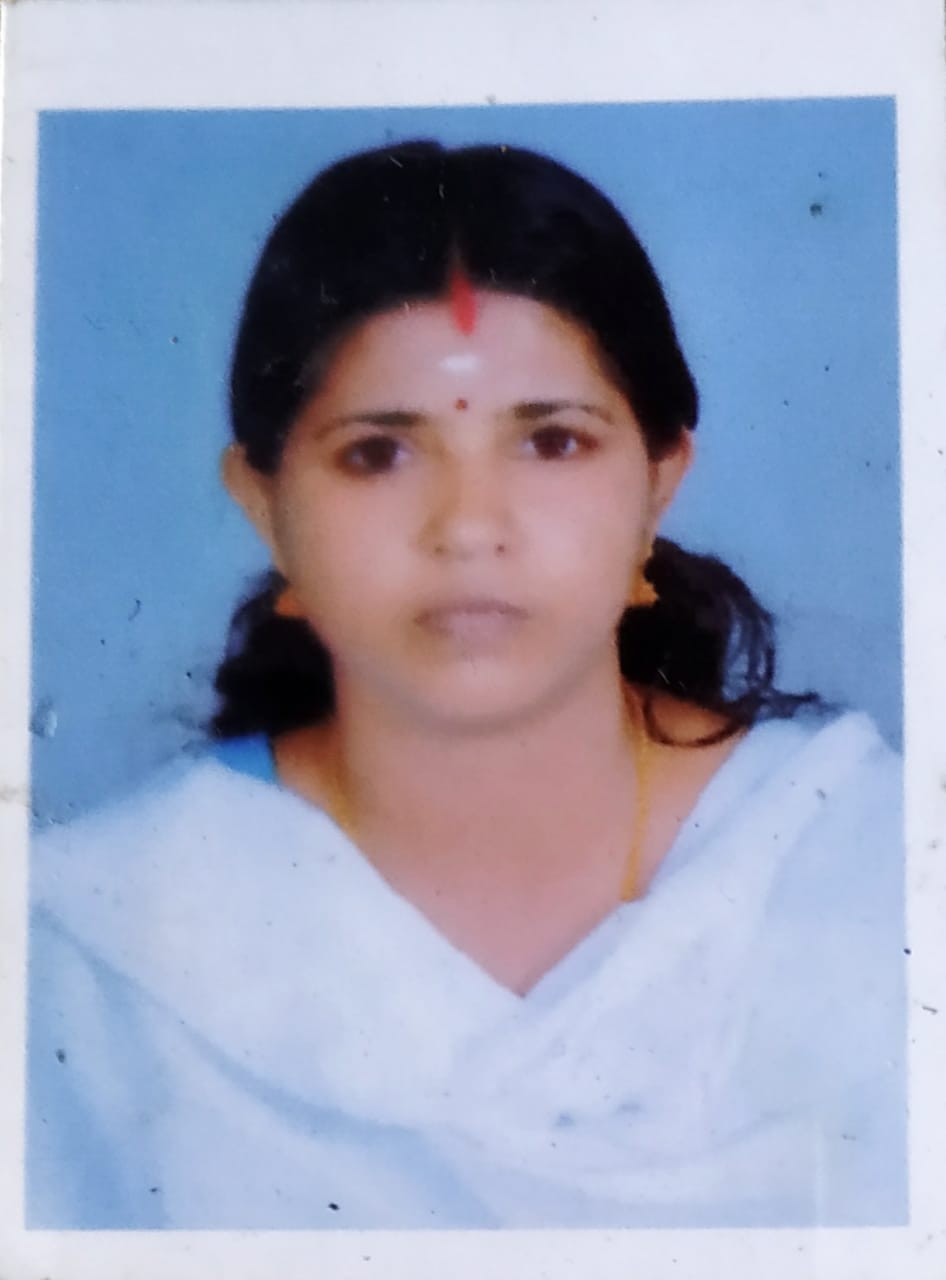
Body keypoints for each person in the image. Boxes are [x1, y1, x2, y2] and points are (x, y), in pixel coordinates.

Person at [27, 140, 906, 1230]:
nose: (469, 527)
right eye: (377, 455)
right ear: (263, 505)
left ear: (658, 485)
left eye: (552, 442)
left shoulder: (863, 866)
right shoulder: (97, 948)